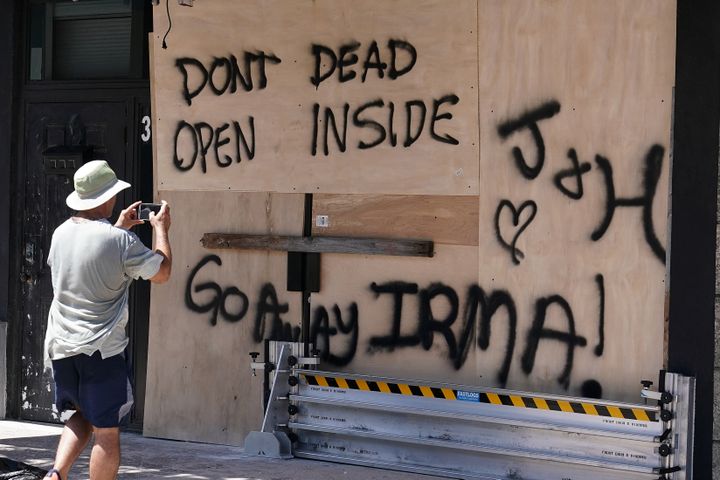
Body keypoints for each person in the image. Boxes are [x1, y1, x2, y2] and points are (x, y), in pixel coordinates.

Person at [43, 160, 172, 480]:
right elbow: (162, 272)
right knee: (107, 433)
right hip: (101, 352)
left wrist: (120, 226)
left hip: (62, 346)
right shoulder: (120, 243)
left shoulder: (60, 233)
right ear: (104, 198)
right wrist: (160, 231)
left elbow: (94, 252)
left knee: (77, 416)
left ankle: (56, 475)